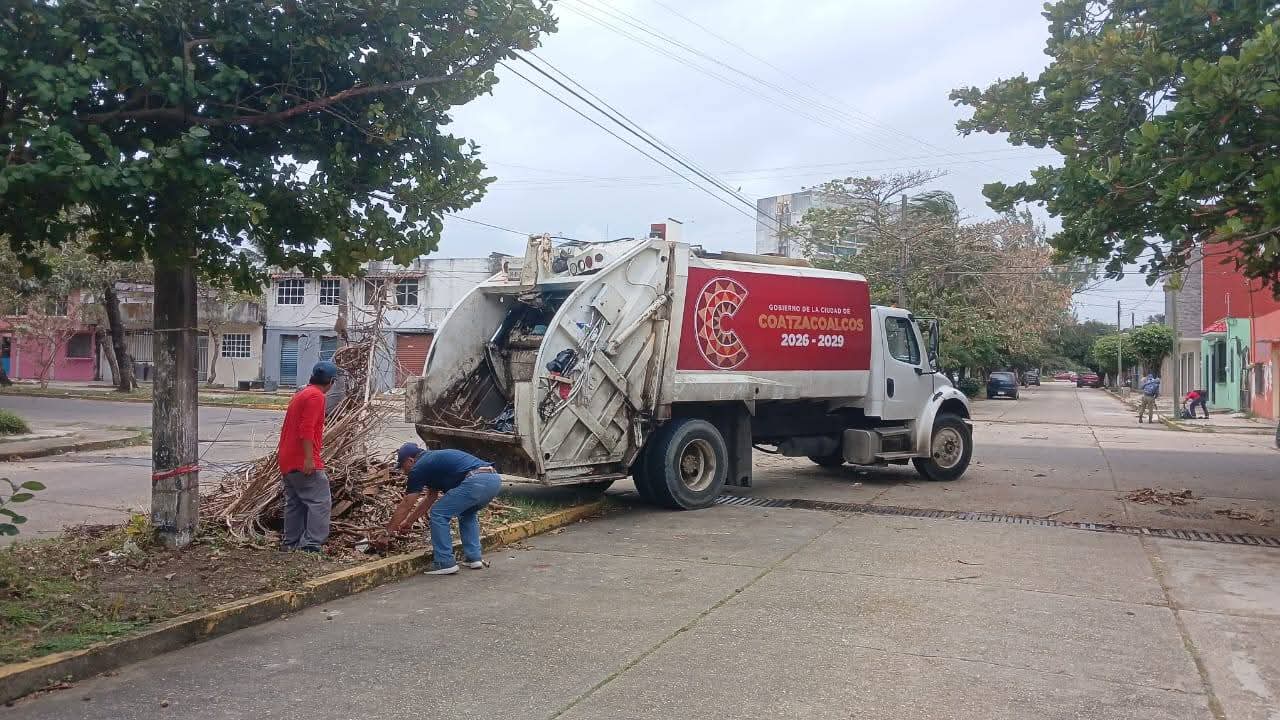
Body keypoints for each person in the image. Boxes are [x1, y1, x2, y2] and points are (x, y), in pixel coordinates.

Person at [388, 443, 502, 576]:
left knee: (438, 513)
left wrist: (387, 532)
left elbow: (407, 504)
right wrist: (409, 522)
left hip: (476, 481)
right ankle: (474, 558)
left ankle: (444, 562)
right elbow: (430, 498)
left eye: (402, 466)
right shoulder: (431, 462)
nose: (403, 472)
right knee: (467, 513)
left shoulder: (418, 468)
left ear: (410, 460)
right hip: (493, 480)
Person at [277, 361, 338, 552]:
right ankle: (311, 545)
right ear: (331, 381)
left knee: (295, 502)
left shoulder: (301, 394)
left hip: (287, 459)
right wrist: (309, 459)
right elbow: (306, 429)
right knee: (320, 501)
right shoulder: (316, 396)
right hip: (302, 459)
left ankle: (291, 542)